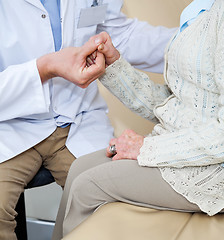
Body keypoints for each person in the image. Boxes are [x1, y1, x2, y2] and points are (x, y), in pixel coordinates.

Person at [0, 0, 176, 239]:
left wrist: (193, 39)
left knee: (112, 212)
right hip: (8, 120)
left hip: (78, 116)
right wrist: (45, 67)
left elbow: (118, 35)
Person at [52, 0, 224, 238]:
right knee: (79, 168)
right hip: (184, 144)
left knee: (88, 186)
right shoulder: (200, 9)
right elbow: (176, 104)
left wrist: (147, 147)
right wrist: (113, 67)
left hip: (213, 167)